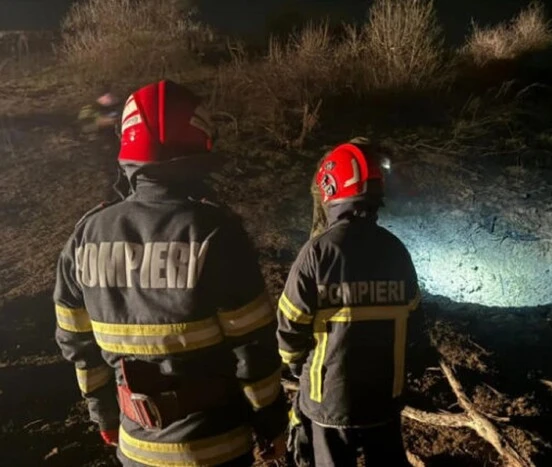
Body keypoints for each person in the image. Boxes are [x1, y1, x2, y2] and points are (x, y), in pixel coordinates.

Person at [54, 80, 287, 466]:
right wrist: (270, 422)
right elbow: (252, 347)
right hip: (217, 449)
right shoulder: (215, 232)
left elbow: (77, 343)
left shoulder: (85, 235)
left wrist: (104, 416)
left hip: (136, 449)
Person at [277, 141, 422, 466]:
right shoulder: (396, 250)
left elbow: (289, 327)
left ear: (330, 191)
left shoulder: (316, 254)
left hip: (329, 402)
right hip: (384, 399)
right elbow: (415, 325)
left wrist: (298, 368)